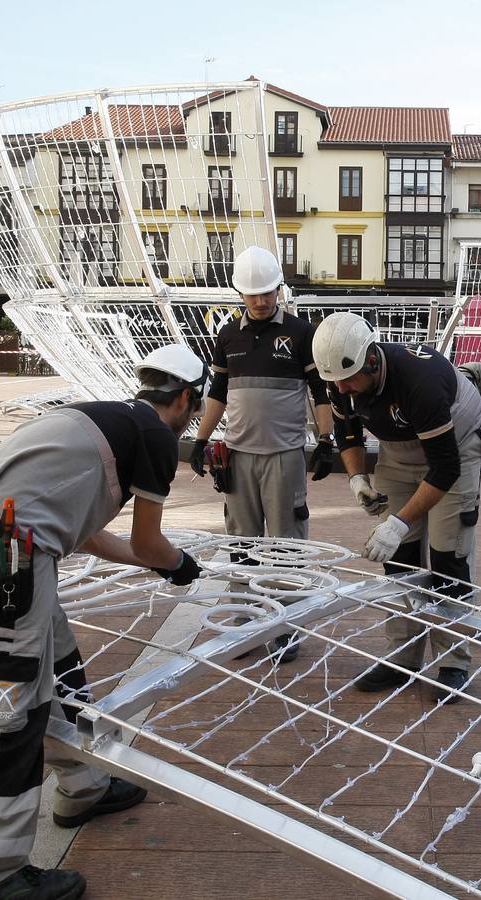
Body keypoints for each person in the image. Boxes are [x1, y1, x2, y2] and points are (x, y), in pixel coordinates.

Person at [0, 344, 209, 899]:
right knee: (9, 711)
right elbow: (148, 540)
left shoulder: (107, 418)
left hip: (13, 552)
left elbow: (88, 533)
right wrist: (179, 565)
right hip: (10, 561)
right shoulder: (157, 438)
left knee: (61, 663)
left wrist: (156, 563)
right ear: (188, 397)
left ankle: (84, 784)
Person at [312, 312, 481, 704]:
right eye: (334, 382)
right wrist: (357, 477)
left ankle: (453, 662)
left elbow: (445, 468)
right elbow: (348, 430)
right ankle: (402, 657)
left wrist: (398, 523)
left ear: (372, 360)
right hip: (398, 450)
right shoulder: (340, 379)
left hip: (454, 448)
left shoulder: (418, 382)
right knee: (400, 564)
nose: (342, 388)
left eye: (350, 378)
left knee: (448, 558)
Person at [189, 246, 334, 663]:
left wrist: (325, 441)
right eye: (252, 294)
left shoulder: (301, 333)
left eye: (267, 292)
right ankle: (246, 627)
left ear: (278, 289)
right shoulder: (228, 335)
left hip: (284, 455)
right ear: (240, 294)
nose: (260, 300)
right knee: (241, 544)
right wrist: (201, 439)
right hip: (237, 455)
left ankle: (285, 630)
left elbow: (320, 392)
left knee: (286, 545)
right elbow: (218, 392)